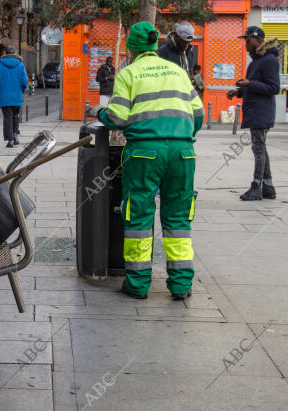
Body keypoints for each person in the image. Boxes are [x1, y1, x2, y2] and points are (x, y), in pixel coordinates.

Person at [86, 21, 204, 300]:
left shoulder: (129, 73)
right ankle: (181, 285)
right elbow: (198, 115)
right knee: (178, 219)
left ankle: (138, 284)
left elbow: (117, 118)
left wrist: (97, 112)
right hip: (183, 153)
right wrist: (181, 137)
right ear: (154, 44)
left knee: (138, 214)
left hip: (144, 153)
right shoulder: (177, 71)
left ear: (131, 49)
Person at [227, 26, 279, 201]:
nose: (245, 44)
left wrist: (249, 84)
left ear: (257, 39)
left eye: (247, 40)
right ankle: (268, 187)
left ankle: (257, 186)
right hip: (256, 110)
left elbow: (274, 87)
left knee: (258, 149)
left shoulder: (269, 60)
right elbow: (254, 85)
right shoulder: (256, 61)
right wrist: (239, 92)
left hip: (261, 112)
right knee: (261, 148)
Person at [0, 46, 29, 148]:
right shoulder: (21, 65)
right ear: (14, 53)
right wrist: (20, 90)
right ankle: (15, 135)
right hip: (17, 96)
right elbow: (25, 82)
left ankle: (10, 140)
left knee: (7, 117)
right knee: (15, 116)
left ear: (5, 53)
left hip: (5, 97)